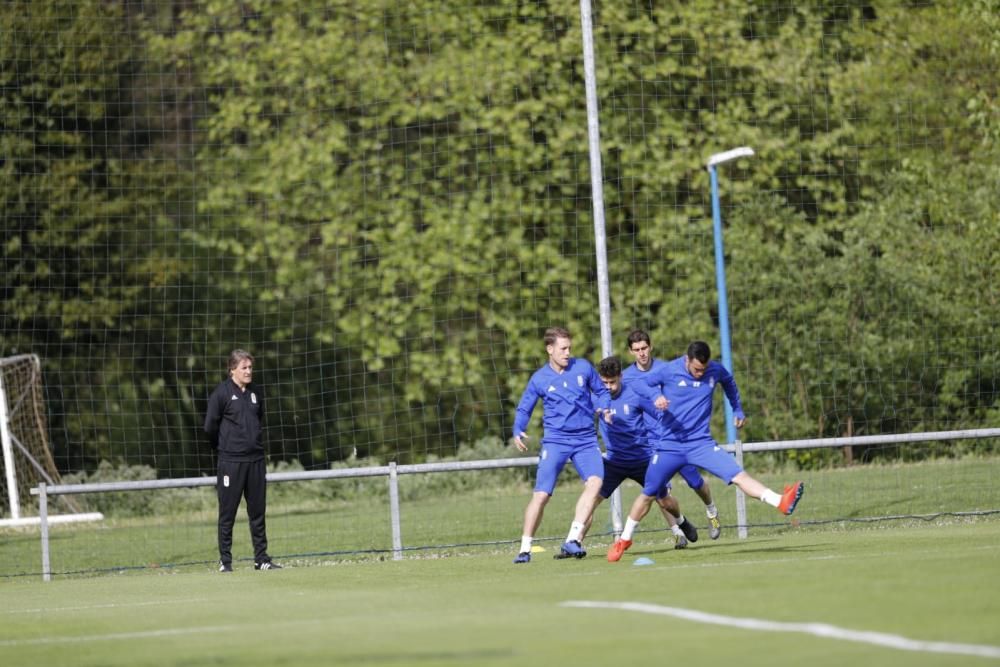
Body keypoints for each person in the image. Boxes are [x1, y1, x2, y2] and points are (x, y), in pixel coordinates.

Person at [608, 340, 804, 562]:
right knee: (649, 493)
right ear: (687, 360)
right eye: (696, 369)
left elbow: (729, 383)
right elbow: (640, 385)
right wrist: (655, 397)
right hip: (669, 445)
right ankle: (624, 540)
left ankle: (780, 501)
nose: (700, 373)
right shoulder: (669, 370)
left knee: (738, 475)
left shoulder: (715, 370)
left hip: (701, 444)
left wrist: (737, 408)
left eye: (704, 369)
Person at [511, 327, 610, 563]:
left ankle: (573, 539)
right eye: (563, 348)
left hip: (586, 440)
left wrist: (604, 407)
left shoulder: (583, 367)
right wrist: (518, 429)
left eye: (569, 348)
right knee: (542, 495)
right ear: (550, 350)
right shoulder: (540, 378)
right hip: (555, 441)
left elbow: (601, 391)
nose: (567, 353)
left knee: (595, 482)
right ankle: (525, 549)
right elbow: (525, 407)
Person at [582, 355, 699, 550]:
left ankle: (681, 523)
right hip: (614, 462)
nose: (608, 387)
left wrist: (674, 422)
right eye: (604, 383)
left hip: (642, 459)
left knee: (665, 500)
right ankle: (574, 542)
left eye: (612, 382)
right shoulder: (596, 398)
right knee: (590, 500)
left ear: (620, 376)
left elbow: (660, 415)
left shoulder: (635, 394)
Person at [624, 329, 723, 539]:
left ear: (650, 347)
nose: (641, 353)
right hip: (650, 443)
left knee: (695, 482)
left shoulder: (666, 369)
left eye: (644, 348)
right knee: (657, 491)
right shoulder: (627, 377)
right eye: (637, 350)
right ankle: (679, 530)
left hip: (676, 437)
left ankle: (711, 510)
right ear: (630, 352)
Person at [204, 349, 282, 572]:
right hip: (231, 462)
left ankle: (262, 559)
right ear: (232, 370)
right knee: (227, 513)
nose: (249, 372)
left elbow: (259, 419)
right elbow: (209, 426)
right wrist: (225, 448)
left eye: (250, 367)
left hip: (256, 461)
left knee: (257, 512)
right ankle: (225, 561)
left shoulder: (256, 392)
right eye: (244, 368)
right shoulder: (221, 393)